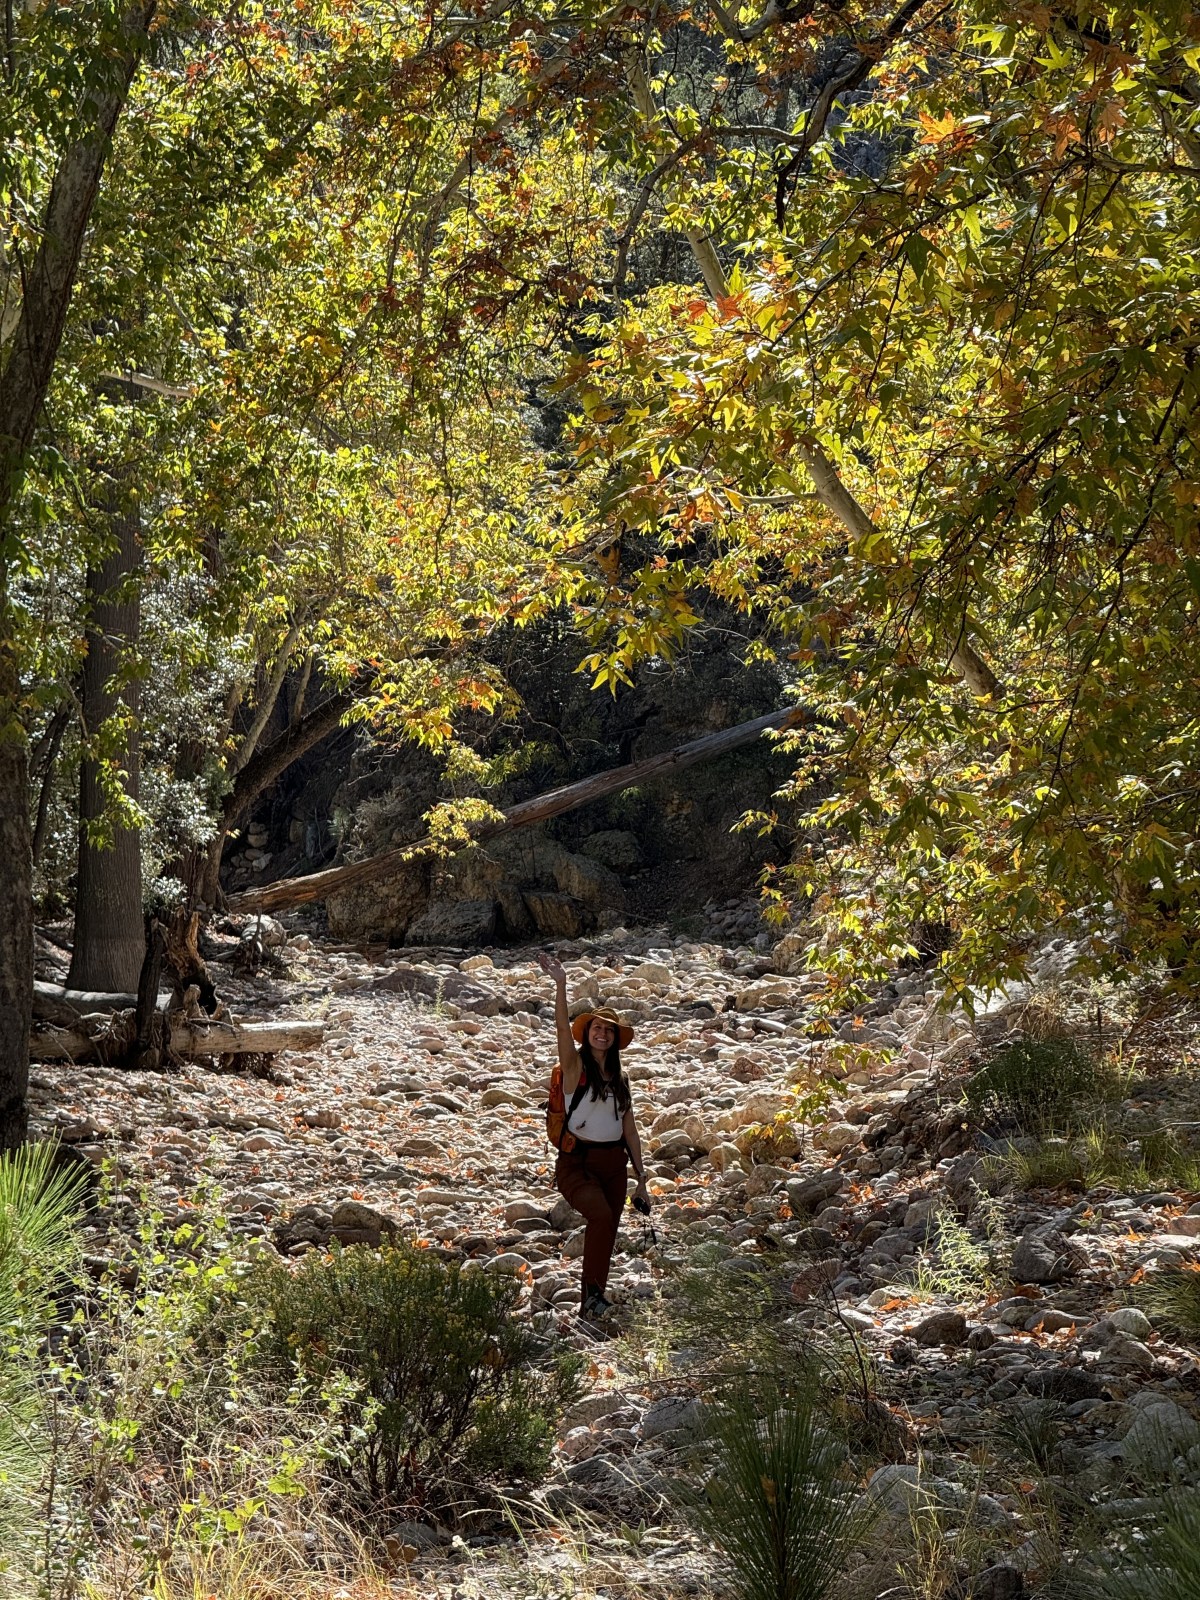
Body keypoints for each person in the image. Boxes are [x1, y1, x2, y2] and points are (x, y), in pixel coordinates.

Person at [537, 951, 650, 1320]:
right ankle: (591, 1297)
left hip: (615, 1164)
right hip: (577, 1163)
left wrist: (642, 1179)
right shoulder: (574, 1067)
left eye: (609, 1030)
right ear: (586, 1034)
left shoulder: (621, 1078)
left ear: (616, 1038)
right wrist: (561, 985)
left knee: (610, 1226)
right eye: (596, 1028)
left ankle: (594, 1297)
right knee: (600, 1216)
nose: (602, 1034)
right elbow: (559, 1032)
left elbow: (630, 1129)